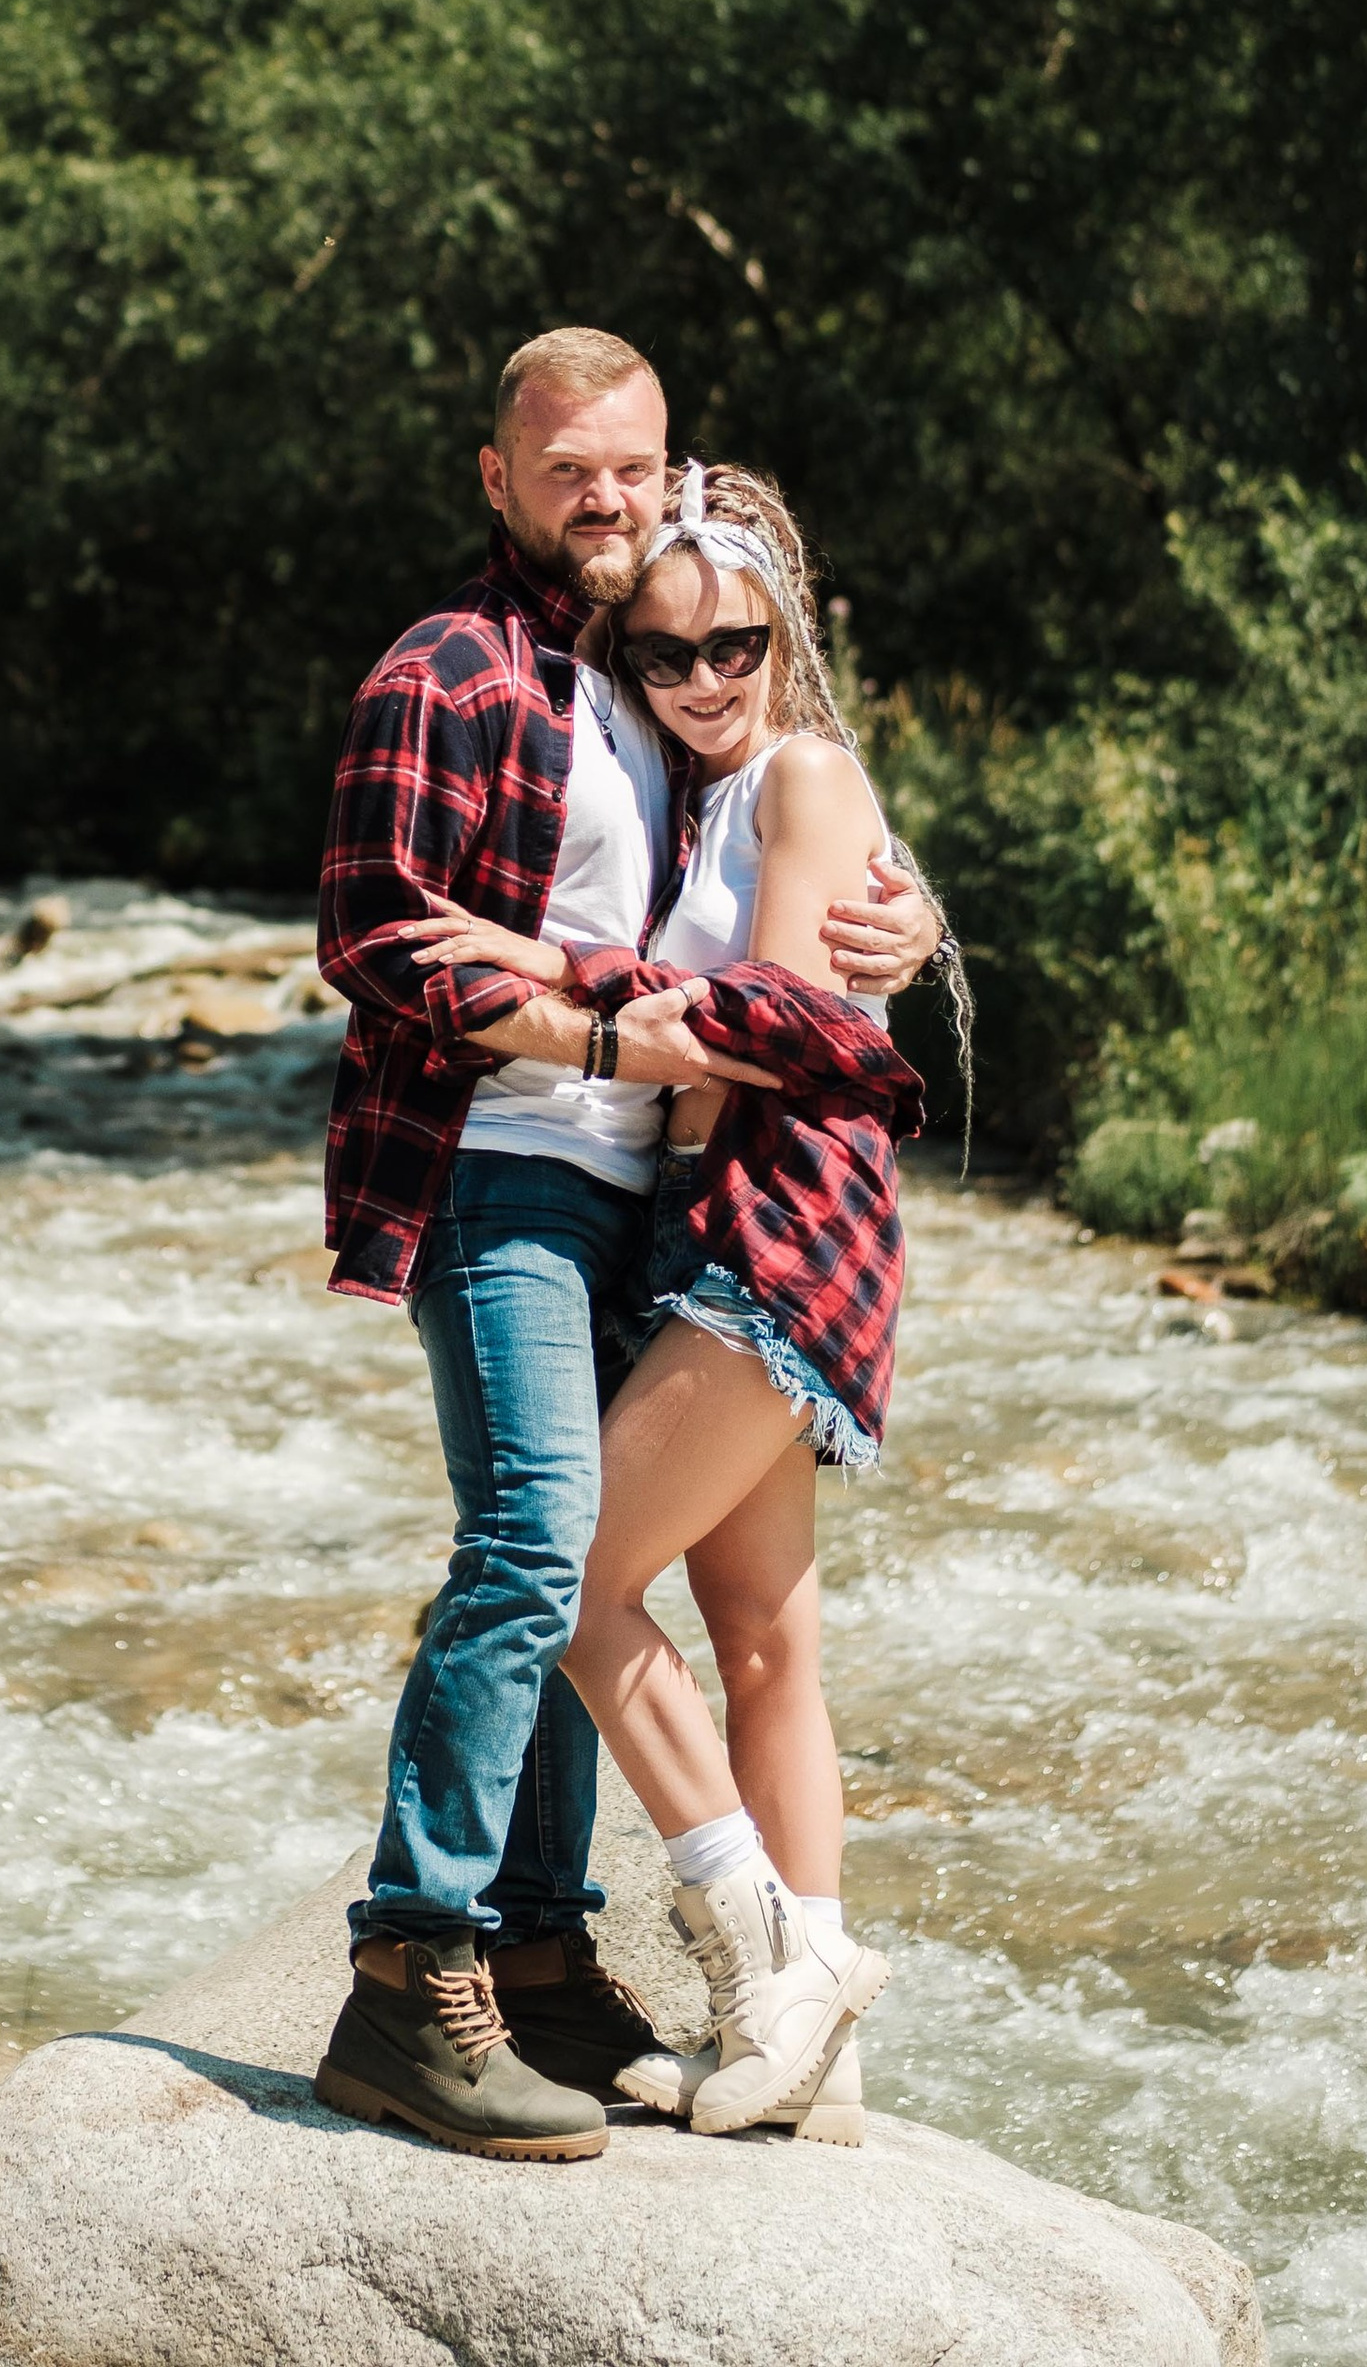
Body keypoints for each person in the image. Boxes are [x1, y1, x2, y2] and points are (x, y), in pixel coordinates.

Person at [308, 331, 944, 2161]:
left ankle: (545, 1956)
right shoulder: (451, 669)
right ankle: (410, 1968)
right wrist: (606, 1033)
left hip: (669, 1206)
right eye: (566, 468)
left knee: (623, 1575)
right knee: (543, 1547)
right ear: (495, 477)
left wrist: (886, 932)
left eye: (634, 470)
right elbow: (374, 938)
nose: (606, 500)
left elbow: (796, 882)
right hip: (502, 1165)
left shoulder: (644, 679)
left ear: (673, 481)